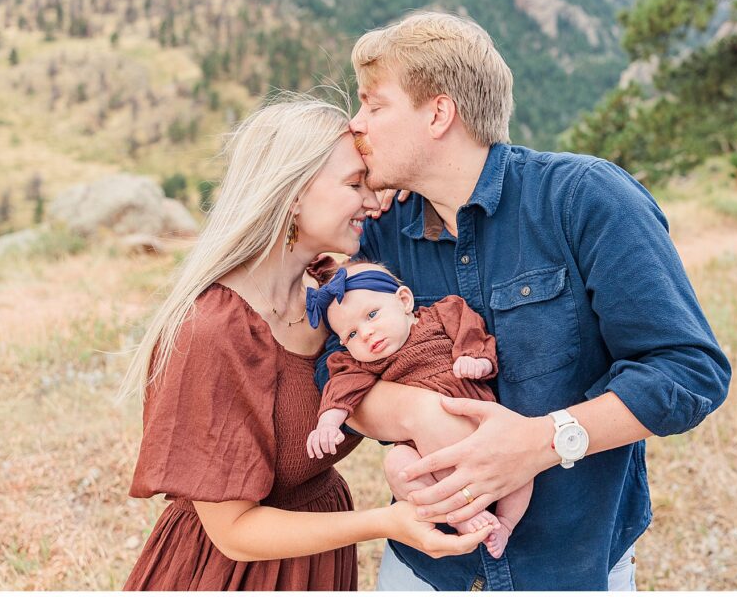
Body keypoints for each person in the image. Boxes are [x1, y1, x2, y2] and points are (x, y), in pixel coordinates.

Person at [313, 12, 732, 590]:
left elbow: (689, 373)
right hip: (426, 569)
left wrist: (541, 441)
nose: (357, 125)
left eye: (374, 105)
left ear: (438, 113)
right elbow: (328, 371)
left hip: (571, 566)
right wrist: (417, 415)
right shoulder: (383, 237)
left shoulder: (584, 198)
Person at [119, 97, 492, 591]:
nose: (371, 197)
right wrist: (386, 523)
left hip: (315, 559)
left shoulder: (333, 298)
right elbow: (233, 532)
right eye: (354, 184)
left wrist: (412, 188)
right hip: (231, 573)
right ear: (293, 194)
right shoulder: (210, 330)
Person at [304, 258, 533, 559]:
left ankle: (504, 523)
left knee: (523, 460)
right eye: (351, 335)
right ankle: (462, 516)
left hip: (480, 431)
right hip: (429, 456)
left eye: (372, 315)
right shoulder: (363, 363)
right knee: (398, 463)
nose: (367, 333)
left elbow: (471, 331)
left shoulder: (440, 316)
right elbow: (342, 387)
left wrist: (477, 360)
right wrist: (328, 423)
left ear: (404, 300)